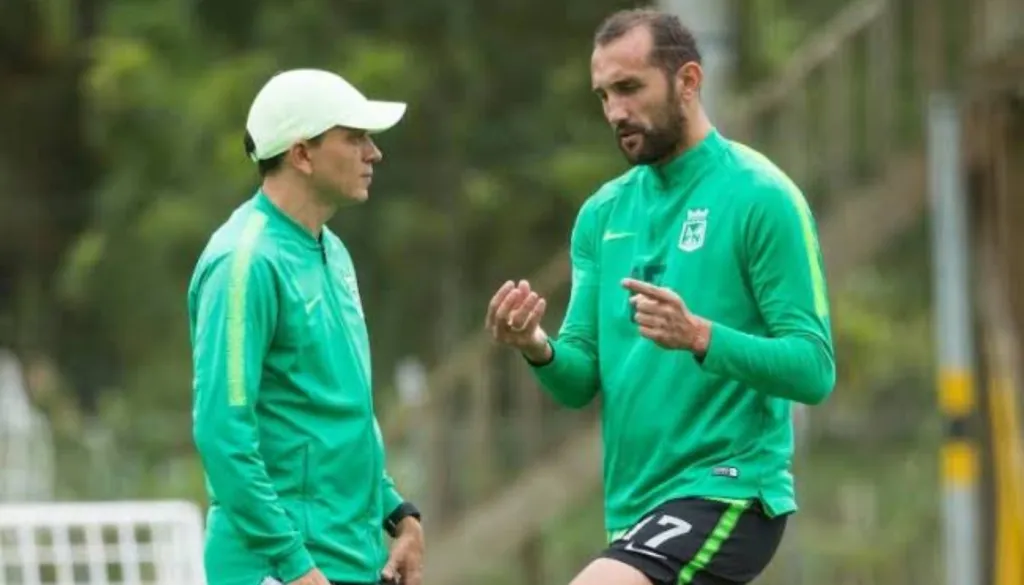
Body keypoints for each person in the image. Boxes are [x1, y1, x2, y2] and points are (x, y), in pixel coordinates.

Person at [485, 9, 836, 585]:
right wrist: (536, 345)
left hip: (729, 490)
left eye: (629, 88)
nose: (615, 111)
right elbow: (579, 381)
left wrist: (700, 336)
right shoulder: (602, 213)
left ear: (689, 82)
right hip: (635, 507)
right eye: (603, 95)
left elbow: (814, 370)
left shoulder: (762, 196)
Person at [188, 69, 424, 585]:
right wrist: (295, 566)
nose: (373, 153)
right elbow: (222, 435)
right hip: (277, 571)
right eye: (354, 137)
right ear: (301, 154)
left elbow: (331, 415)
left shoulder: (332, 250)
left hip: (349, 560)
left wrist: (399, 516)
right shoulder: (244, 261)